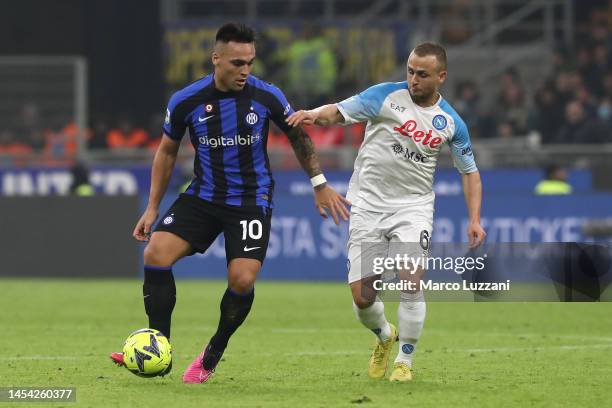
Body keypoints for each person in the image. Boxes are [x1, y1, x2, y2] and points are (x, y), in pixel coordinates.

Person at [110, 23, 349, 384]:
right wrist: (152, 207)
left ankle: (212, 352)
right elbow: (167, 152)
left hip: (250, 201)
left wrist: (319, 184)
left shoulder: (266, 95)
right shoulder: (186, 100)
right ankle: (158, 348)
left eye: (250, 62)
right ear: (216, 58)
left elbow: (298, 136)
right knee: (155, 254)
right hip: (203, 196)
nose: (245, 70)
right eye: (238, 63)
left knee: (241, 279)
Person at [287, 42, 486, 382]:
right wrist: (313, 114)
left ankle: (405, 361)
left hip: (413, 206)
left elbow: (469, 172)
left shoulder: (451, 122)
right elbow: (339, 110)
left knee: (410, 279)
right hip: (367, 202)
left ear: (441, 77)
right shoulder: (384, 96)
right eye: (410, 71)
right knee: (363, 297)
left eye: (422, 74)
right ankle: (384, 335)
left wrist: (474, 218)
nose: (413, 79)